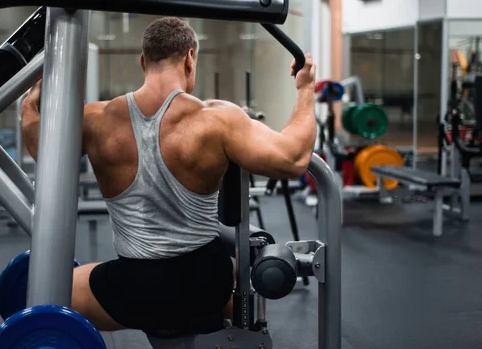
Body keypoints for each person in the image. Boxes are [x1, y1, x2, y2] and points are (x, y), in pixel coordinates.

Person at [21, 17, 316, 333]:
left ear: (143, 61)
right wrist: (305, 89)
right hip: (206, 284)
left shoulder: (97, 119)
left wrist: (30, 99)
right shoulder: (217, 119)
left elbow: (41, 147)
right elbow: (293, 157)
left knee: (39, 294)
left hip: (136, 290)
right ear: (191, 59)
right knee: (223, 277)